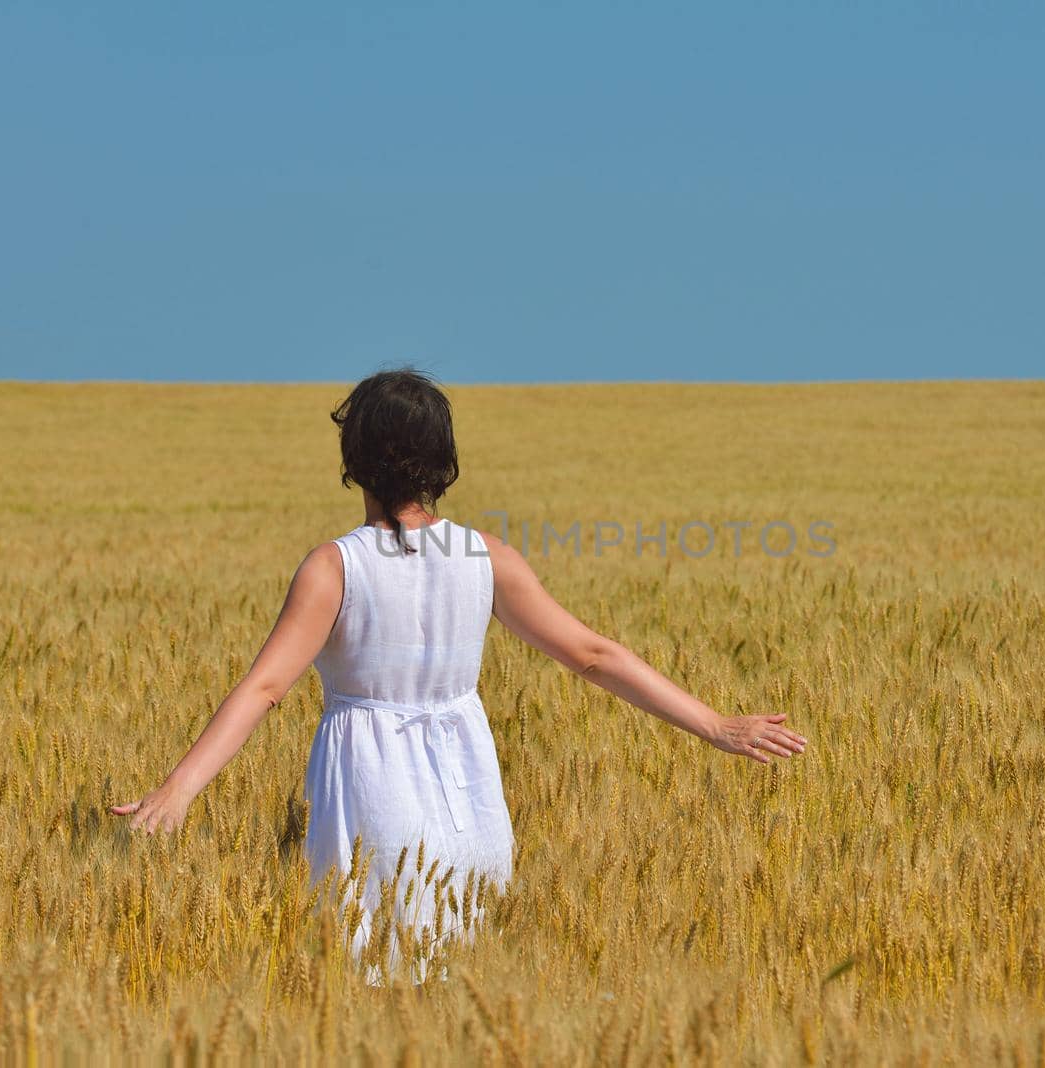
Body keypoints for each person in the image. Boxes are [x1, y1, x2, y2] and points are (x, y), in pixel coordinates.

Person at [110, 367, 808, 983]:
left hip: (372, 795)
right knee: (464, 981)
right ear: (441, 459)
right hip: (470, 799)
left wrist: (176, 791)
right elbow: (594, 656)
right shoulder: (486, 557)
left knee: (371, 979)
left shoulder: (335, 568)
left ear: (353, 459)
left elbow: (265, 689)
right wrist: (716, 724)